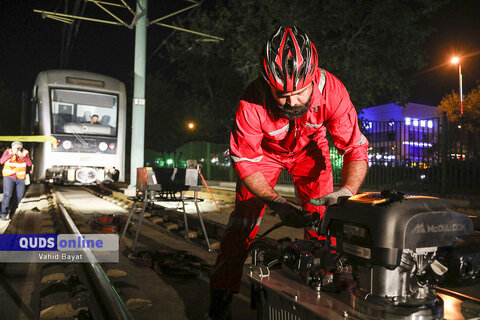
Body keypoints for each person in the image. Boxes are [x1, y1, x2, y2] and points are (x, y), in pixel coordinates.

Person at [206, 26, 369, 319]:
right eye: (282, 94)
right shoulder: (251, 101)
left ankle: (323, 294)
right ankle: (219, 301)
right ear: (267, 84)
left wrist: (346, 192)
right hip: (264, 156)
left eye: (299, 92)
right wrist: (276, 202)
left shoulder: (333, 91)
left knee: (324, 224)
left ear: (314, 78)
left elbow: (355, 148)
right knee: (242, 224)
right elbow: (245, 162)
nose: (292, 102)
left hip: (310, 151)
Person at [0, 141, 33, 220]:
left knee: (19, 196)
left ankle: (12, 213)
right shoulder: (8, 151)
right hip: (9, 176)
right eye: (16, 148)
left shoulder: (25, 152)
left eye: (19, 148)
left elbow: (29, 164)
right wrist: (12, 154)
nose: (18, 149)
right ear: (12, 147)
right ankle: (3, 213)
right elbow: (1, 161)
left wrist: (23, 157)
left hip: (20, 178)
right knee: (7, 195)